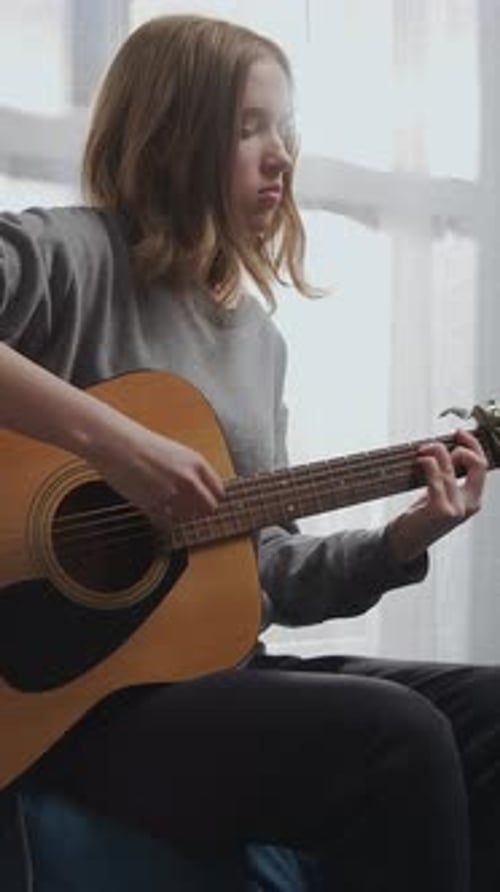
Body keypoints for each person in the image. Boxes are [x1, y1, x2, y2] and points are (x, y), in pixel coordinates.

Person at [0, 14, 498, 892]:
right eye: (248, 127)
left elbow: (262, 571)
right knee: (399, 735)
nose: (281, 156)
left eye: (285, 128)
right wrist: (110, 438)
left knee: (490, 712)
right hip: (69, 706)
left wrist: (401, 540)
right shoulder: (68, 258)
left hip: (209, 677)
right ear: (172, 132)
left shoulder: (255, 343)